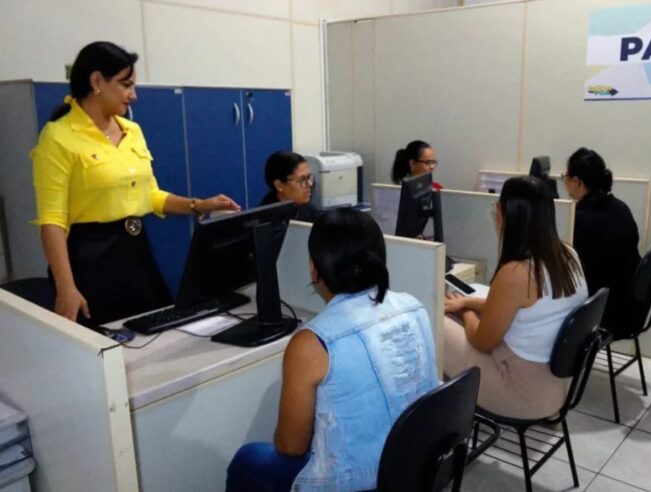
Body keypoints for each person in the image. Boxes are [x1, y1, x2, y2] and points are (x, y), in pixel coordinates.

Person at [226, 208, 438, 492]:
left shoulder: (312, 343)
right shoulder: (414, 306)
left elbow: (291, 446)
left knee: (247, 459)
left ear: (314, 269)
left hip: (360, 483)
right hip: (416, 468)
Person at [31, 41, 240, 326]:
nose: (134, 95)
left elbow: (149, 195)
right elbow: (52, 222)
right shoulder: (58, 137)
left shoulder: (132, 130)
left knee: (159, 328)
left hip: (135, 253)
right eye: (125, 85)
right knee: (107, 341)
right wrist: (65, 286)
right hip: (91, 259)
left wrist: (198, 205)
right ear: (97, 81)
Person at [443, 176, 588, 419]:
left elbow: (481, 341)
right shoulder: (567, 253)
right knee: (459, 315)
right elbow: (519, 309)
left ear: (507, 216)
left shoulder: (517, 273)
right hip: (555, 388)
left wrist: (464, 311)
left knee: (436, 322)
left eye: (497, 208)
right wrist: (467, 302)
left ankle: (440, 420)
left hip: (520, 395)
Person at [562, 147, 641, 335]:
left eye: (566, 177)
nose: (565, 181)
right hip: (627, 305)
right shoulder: (620, 207)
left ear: (577, 181)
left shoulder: (579, 222)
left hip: (603, 312)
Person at [260, 150, 320, 222]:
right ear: (279, 185)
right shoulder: (265, 220)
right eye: (302, 180)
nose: (310, 184)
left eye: (309, 177)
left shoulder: (307, 209)